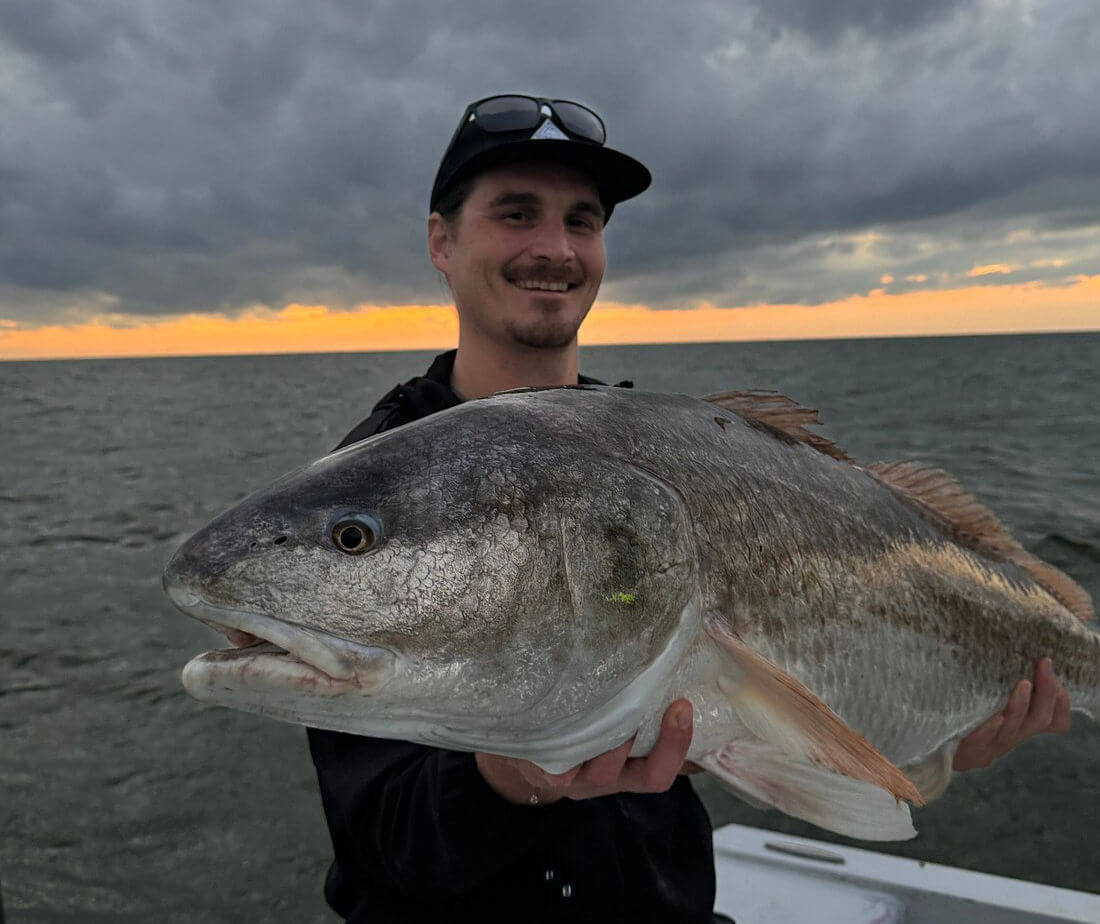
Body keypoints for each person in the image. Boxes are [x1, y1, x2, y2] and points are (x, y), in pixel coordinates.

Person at [308, 93, 1072, 923]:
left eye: (583, 220)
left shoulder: (665, 449)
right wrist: (515, 774)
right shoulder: (366, 493)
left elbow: (715, 714)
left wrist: (927, 723)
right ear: (441, 241)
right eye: (516, 214)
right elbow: (377, 840)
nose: (555, 248)